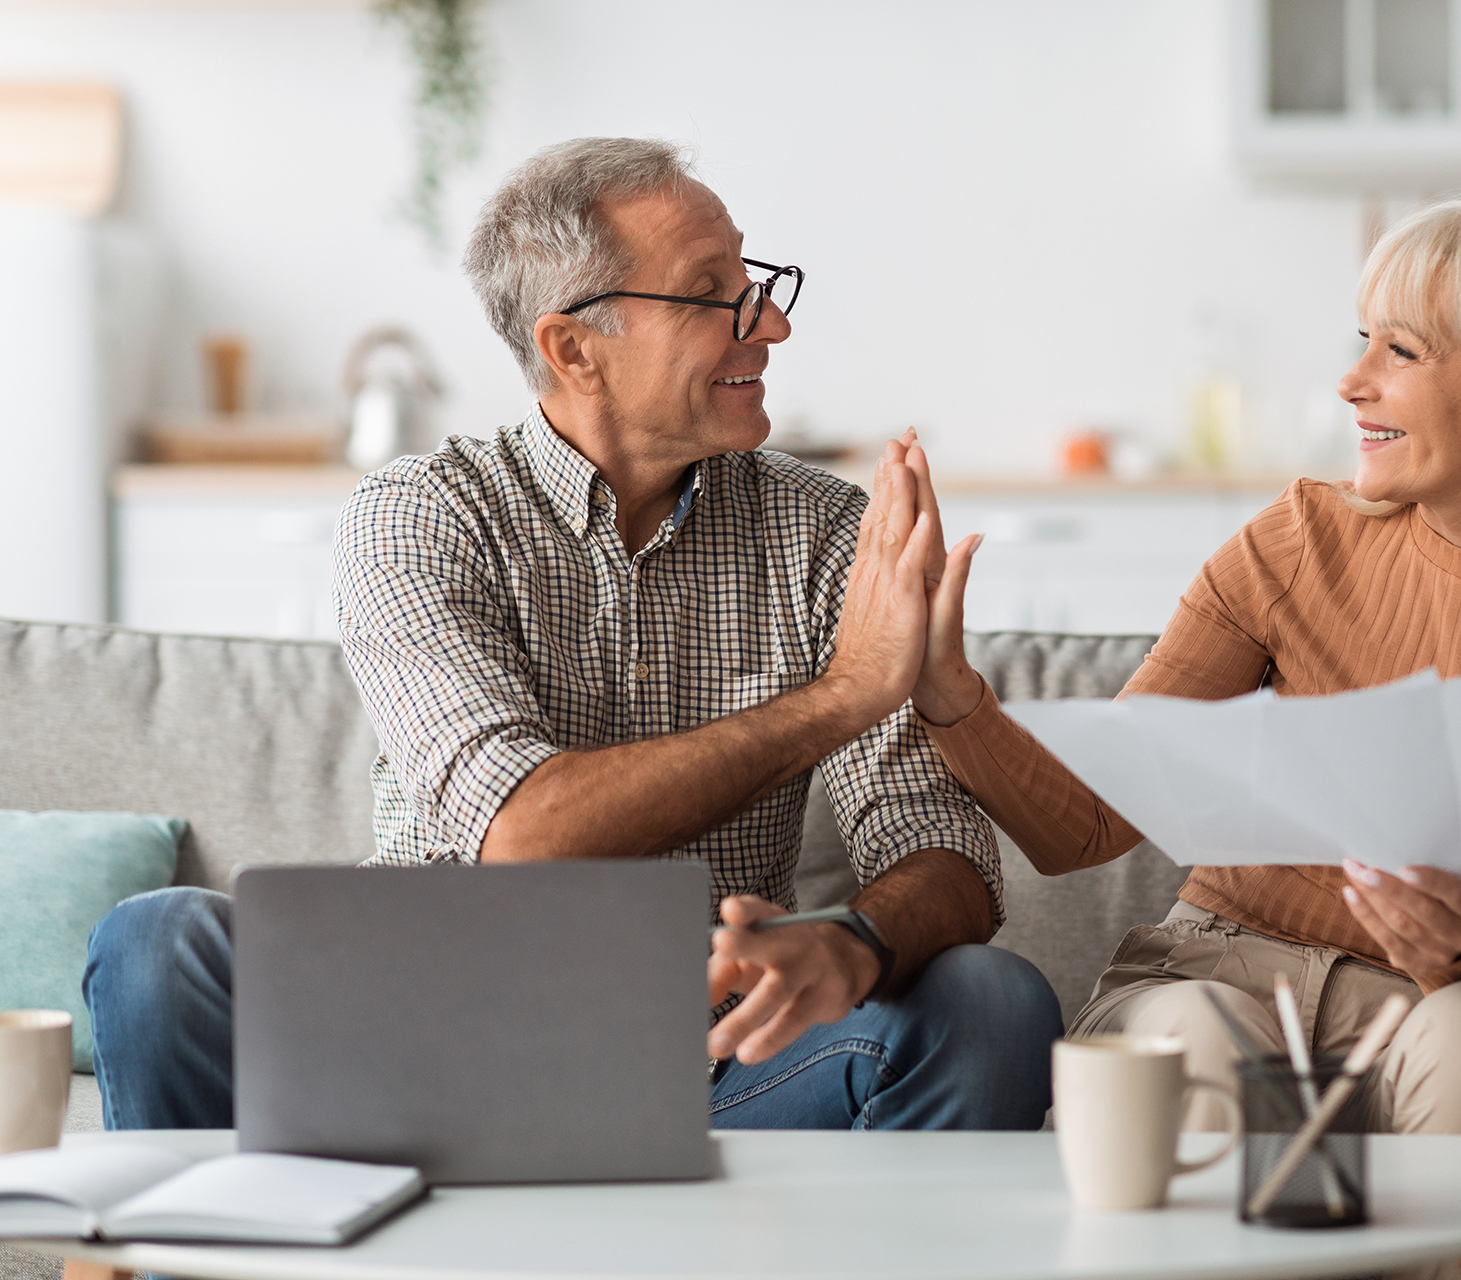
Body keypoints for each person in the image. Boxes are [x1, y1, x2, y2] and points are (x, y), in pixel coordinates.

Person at [84, 136, 1062, 1135]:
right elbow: (524, 832)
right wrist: (842, 695)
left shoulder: (825, 534)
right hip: (404, 1047)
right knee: (156, 943)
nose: (771, 321)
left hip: (714, 1071)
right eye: (714, 292)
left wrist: (856, 939)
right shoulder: (420, 514)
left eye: (756, 283)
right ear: (574, 348)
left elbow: (943, 852)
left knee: (989, 1002)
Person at [901, 190, 1461, 1171]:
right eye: (1362, 340)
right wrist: (946, 687)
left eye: (1398, 353)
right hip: (1216, 969)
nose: (1349, 382)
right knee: (1190, 1040)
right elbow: (1084, 826)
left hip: (1429, 1010)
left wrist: (1457, 951)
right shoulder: (1296, 540)